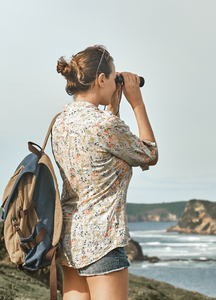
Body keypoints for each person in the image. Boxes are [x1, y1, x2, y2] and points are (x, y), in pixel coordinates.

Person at [52, 45, 158, 300]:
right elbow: (149, 154)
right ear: (101, 80)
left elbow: (104, 150)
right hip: (103, 239)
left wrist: (113, 108)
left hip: (70, 239)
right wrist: (137, 102)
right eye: (113, 78)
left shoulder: (60, 122)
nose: (115, 83)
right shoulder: (105, 125)